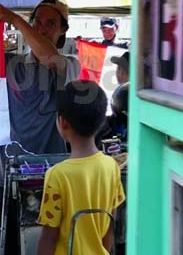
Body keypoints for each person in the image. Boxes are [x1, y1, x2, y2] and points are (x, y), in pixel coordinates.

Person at [0, 0, 81, 255]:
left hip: (49, 180)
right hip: (7, 176)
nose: (41, 27)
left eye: (50, 23)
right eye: (37, 22)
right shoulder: (9, 63)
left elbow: (49, 58)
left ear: (63, 31)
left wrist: (14, 19)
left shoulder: (70, 64)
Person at [37, 80, 125, 255]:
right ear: (101, 122)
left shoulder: (57, 175)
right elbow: (109, 223)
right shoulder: (111, 166)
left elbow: (49, 236)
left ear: (63, 123)